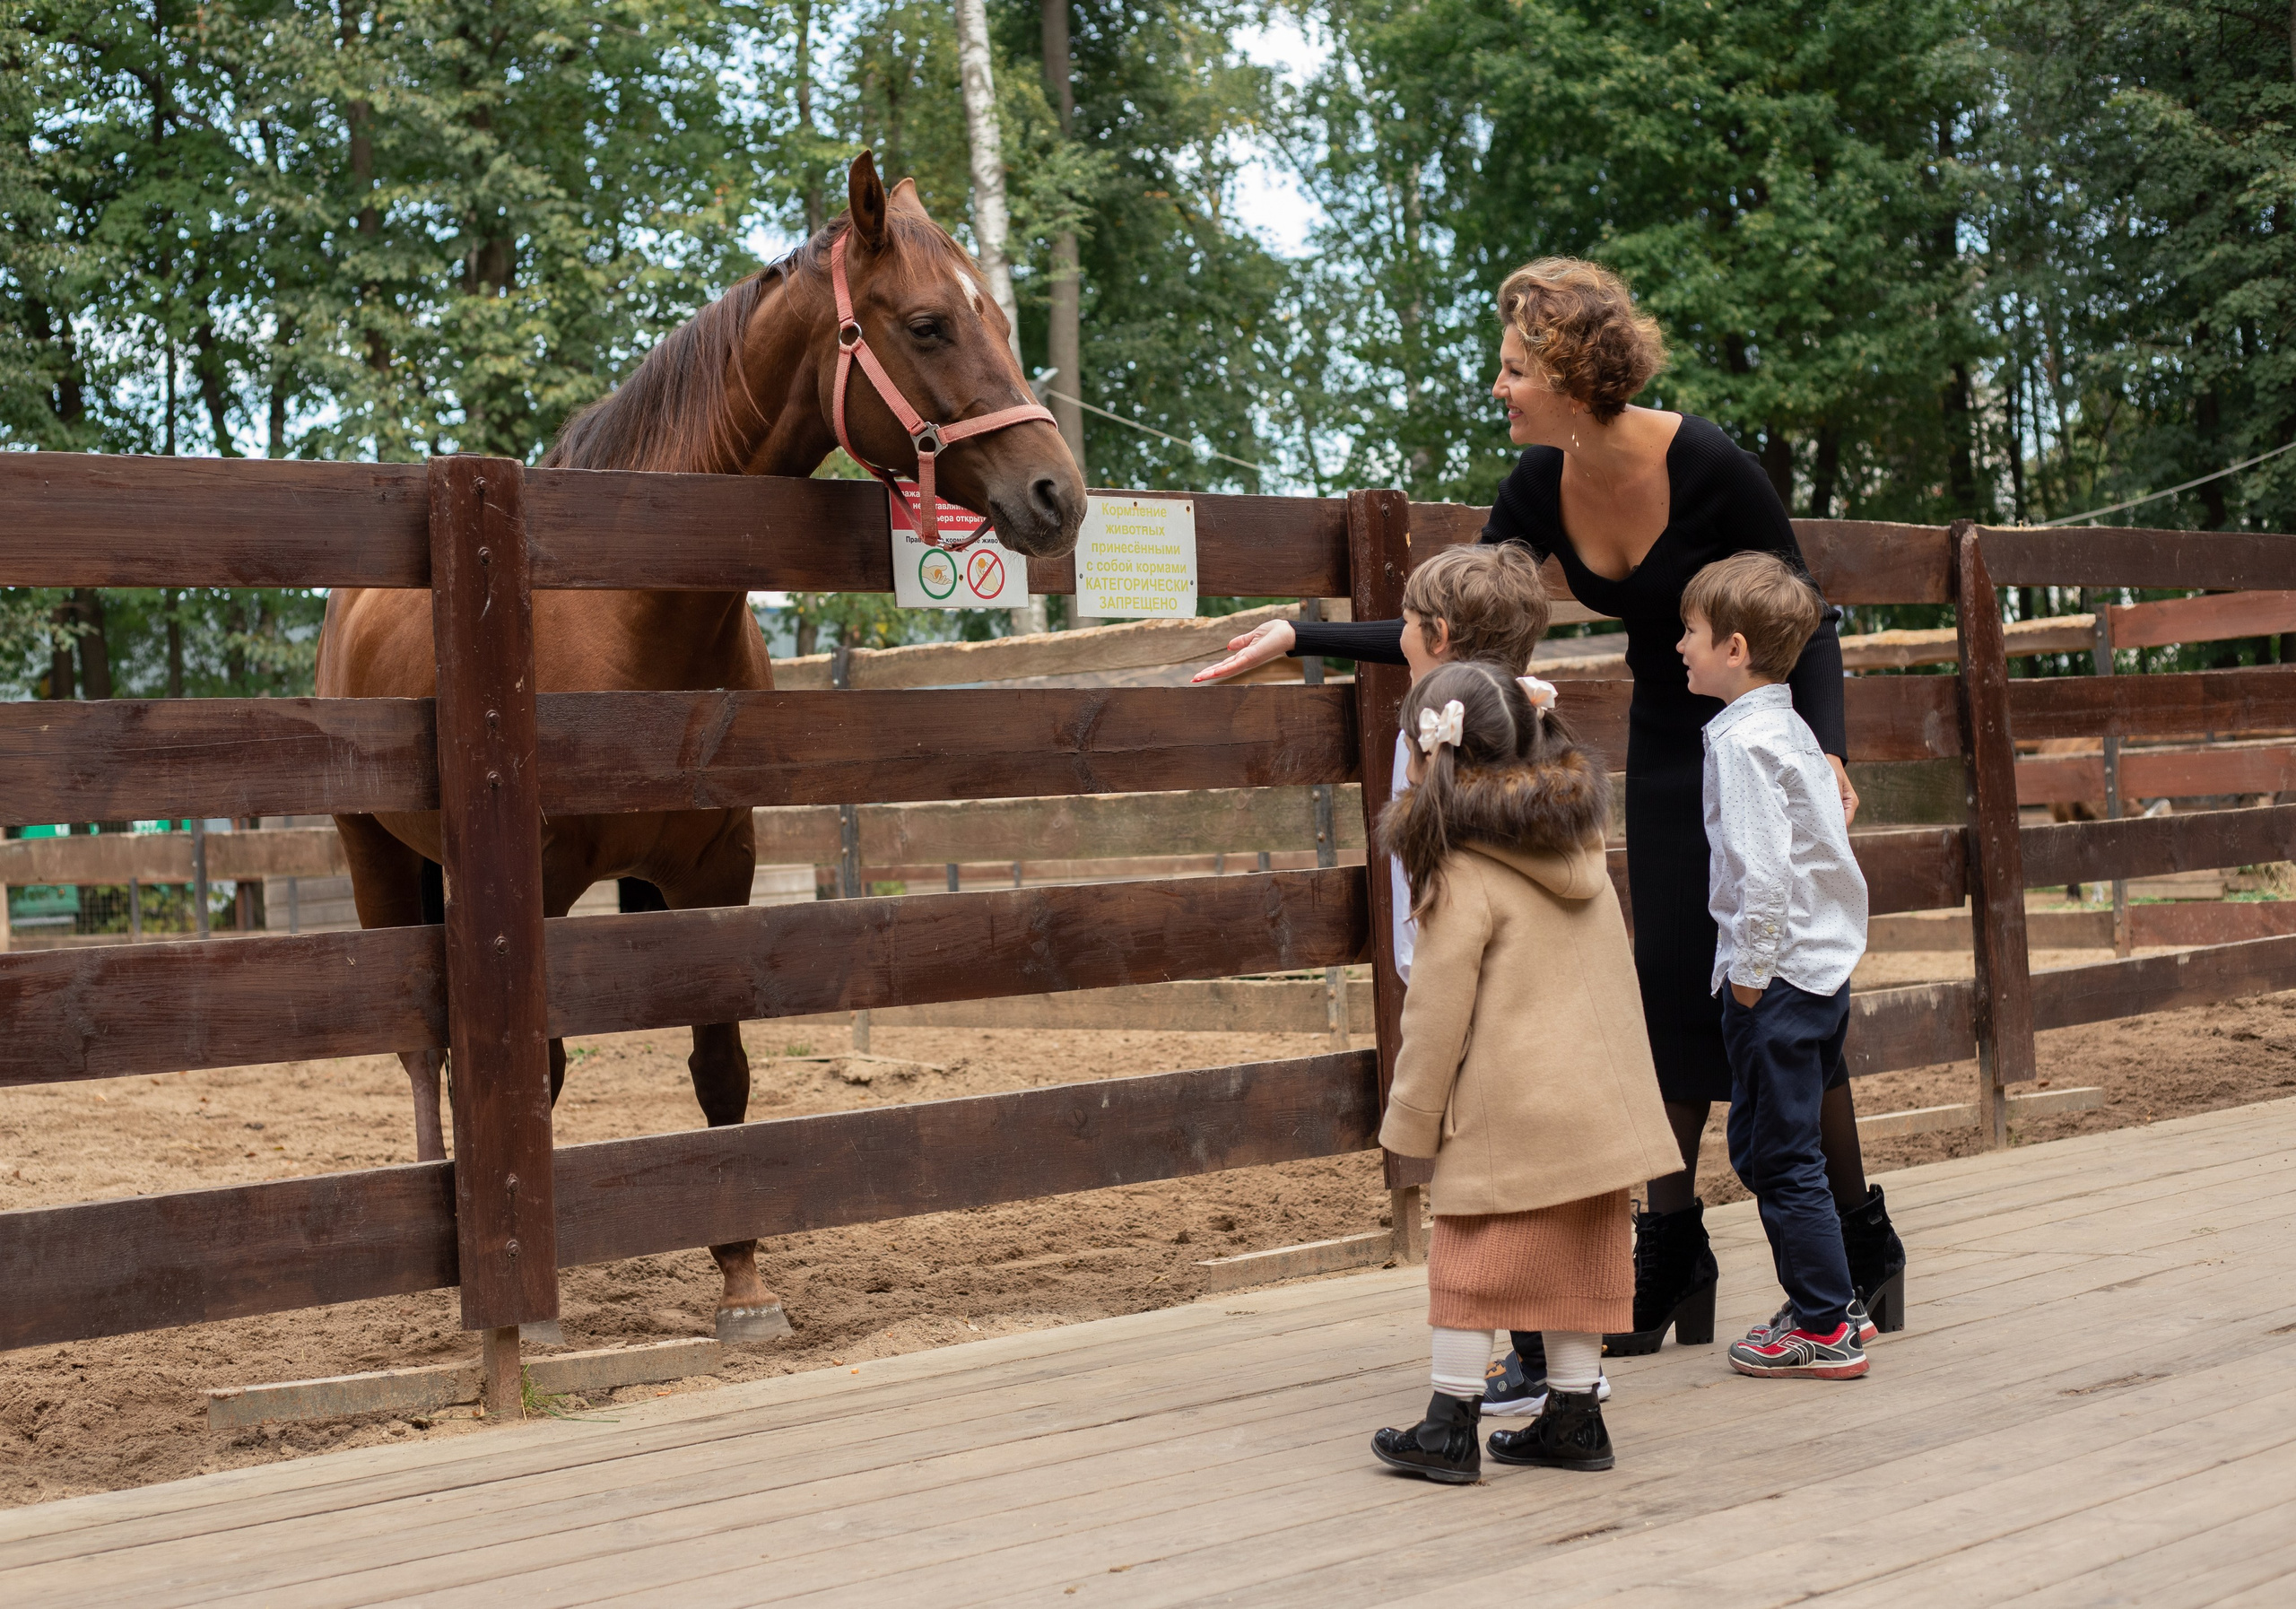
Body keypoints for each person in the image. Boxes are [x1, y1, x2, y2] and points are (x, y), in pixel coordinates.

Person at [1197, 257, 1905, 1374]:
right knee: (1672, 994)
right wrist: (1305, 635)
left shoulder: (1708, 461)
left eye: (1514, 368)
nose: (1499, 387)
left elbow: (1804, 613)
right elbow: (1463, 633)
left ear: (1574, 377)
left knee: (1781, 1002)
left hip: (1759, 748)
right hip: (1674, 761)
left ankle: (1860, 1249)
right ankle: (1673, 1252)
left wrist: (1823, 751)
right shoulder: (1538, 485)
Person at [1368, 663, 1678, 1483]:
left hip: (1510, 1107)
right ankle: (1574, 1418)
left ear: (1429, 753)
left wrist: (1412, 1121)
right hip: (1599, 1106)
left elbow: (1434, 1016)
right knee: (1582, 1259)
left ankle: (1448, 1424)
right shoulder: (1578, 846)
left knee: (1469, 1265)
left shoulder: (1460, 870)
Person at [1678, 553, 1874, 1379]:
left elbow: (1761, 871)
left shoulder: (1744, 744)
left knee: (1781, 1154)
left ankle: (1825, 1327)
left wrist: (1752, 974)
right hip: (1819, 971)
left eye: (1689, 632)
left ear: (1734, 647)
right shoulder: (1790, 729)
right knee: (1765, 1146)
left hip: (1779, 977)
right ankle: (1832, 1302)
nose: (1678, 646)